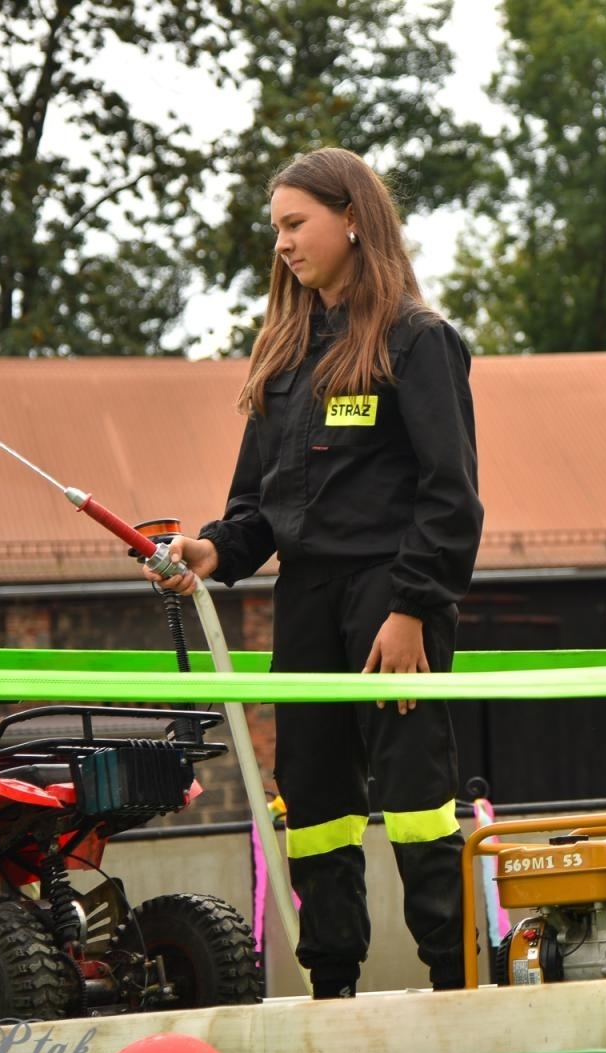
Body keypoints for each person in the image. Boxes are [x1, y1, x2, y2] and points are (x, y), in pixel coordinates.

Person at [148, 146, 484, 995]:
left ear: (353, 220)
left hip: (393, 599)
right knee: (317, 805)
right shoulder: (285, 354)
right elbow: (262, 507)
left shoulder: (420, 341)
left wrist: (410, 609)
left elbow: (452, 499)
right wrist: (212, 550)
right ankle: (332, 990)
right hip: (304, 600)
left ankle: (458, 984)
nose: (284, 246)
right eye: (277, 230)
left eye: (296, 225)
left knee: (416, 800)